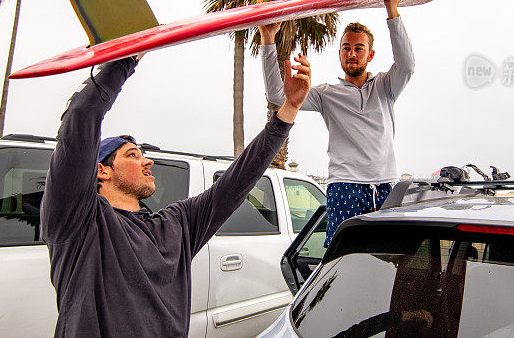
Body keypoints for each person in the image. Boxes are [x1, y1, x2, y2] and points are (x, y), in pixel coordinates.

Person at [41, 53, 311, 337]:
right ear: (101, 171)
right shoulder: (79, 223)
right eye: (133, 155)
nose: (148, 162)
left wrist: (289, 109)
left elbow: (238, 181)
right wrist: (128, 57)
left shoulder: (175, 226)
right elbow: (81, 117)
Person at [258, 0, 413, 246]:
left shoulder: (386, 86)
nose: (352, 53)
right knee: (341, 258)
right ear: (339, 53)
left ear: (370, 54)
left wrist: (392, 10)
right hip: (345, 186)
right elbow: (276, 95)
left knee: (387, 257)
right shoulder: (326, 94)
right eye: (346, 48)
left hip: (386, 185)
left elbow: (407, 65)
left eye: (358, 48)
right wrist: (268, 38)